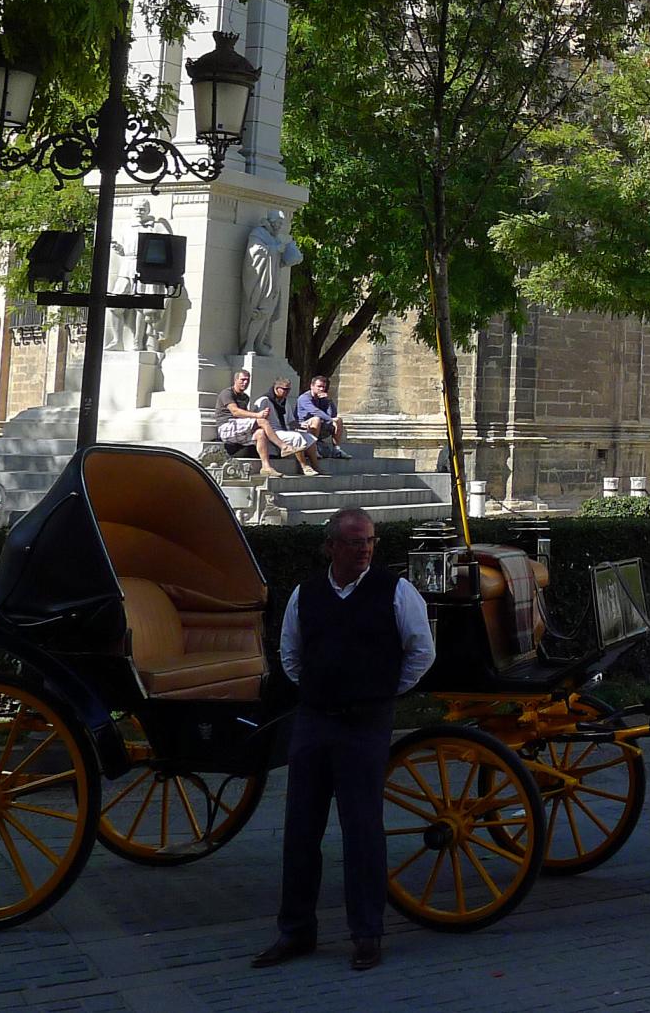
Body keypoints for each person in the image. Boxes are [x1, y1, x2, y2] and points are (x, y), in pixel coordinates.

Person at [255, 507, 435, 973]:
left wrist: (379, 692)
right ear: (331, 545)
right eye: (355, 541)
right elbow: (290, 653)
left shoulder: (397, 592)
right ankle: (295, 931)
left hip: (364, 724)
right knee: (300, 830)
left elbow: (421, 650)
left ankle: (367, 933)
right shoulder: (306, 594)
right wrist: (318, 690)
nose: (365, 549)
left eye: (370, 541)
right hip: (314, 720)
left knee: (363, 831)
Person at [259, 377, 323, 476]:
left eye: (289, 389)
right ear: (276, 388)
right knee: (296, 437)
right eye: (285, 389)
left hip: (284, 430)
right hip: (273, 431)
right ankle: (304, 466)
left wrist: (301, 426)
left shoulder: (285, 402)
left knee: (310, 438)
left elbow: (290, 421)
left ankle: (316, 466)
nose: (287, 392)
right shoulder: (264, 401)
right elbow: (258, 419)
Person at [297, 375, 348, 459]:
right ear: (312, 386)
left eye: (323, 387)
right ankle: (313, 450)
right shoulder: (304, 398)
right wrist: (330, 419)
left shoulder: (322, 398)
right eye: (319, 386)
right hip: (305, 426)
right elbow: (315, 412)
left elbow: (333, 414)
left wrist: (329, 401)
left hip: (321, 425)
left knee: (338, 420)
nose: (321, 389)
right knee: (316, 419)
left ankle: (337, 449)